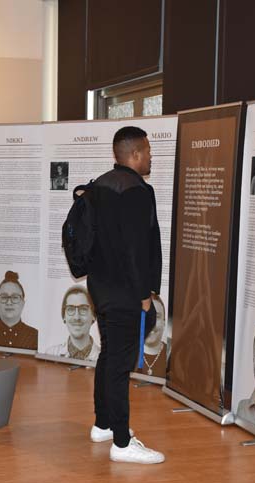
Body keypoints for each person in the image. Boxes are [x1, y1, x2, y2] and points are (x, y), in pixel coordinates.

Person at [86, 126, 164, 464]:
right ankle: (121, 442)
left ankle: (103, 424)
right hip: (124, 293)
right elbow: (135, 250)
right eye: (147, 151)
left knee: (109, 356)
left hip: (100, 288)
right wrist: (144, 295)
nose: (150, 157)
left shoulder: (99, 185)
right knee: (119, 365)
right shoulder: (135, 191)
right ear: (134, 154)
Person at [0, 270, 38, 350]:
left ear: (23, 303)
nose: (9, 302)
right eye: (4, 297)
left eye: (15, 297)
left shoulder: (35, 336)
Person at [45, 285, 100, 361]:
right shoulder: (50, 354)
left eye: (83, 309)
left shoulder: (105, 359)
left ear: (93, 315)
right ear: (64, 316)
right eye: (70, 309)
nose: (76, 317)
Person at [137, 294, 168, 378]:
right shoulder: (128, 353)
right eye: (146, 315)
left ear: (164, 323)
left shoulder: (172, 356)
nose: (151, 322)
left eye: (157, 316)